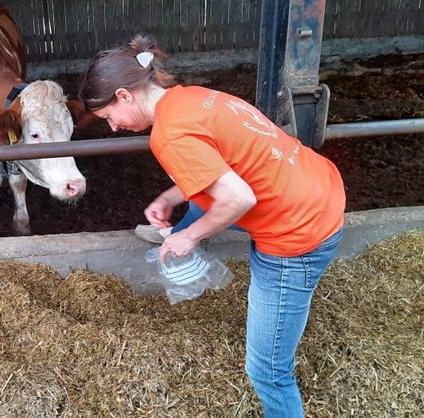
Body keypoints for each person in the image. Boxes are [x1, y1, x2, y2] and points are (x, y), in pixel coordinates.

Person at [79, 34, 346, 417]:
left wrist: (189, 236)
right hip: (316, 186)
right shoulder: (189, 98)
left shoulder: (168, 135)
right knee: (197, 209)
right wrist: (172, 198)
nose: (114, 128)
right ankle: (183, 230)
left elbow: (239, 199)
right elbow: (225, 162)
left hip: (297, 233)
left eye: (109, 117)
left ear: (124, 96)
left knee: (267, 371)